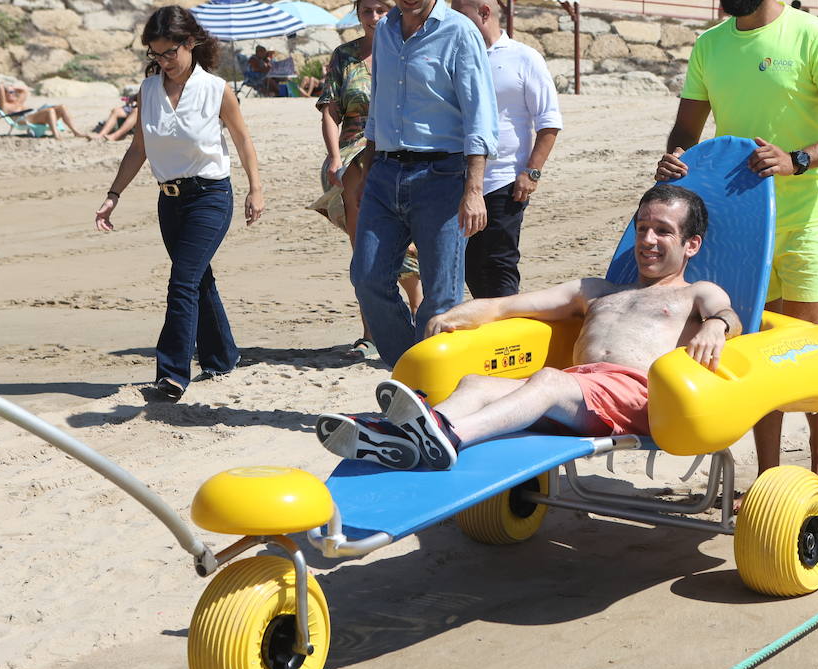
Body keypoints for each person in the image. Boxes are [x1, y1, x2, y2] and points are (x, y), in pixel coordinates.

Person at [653, 0, 818, 493]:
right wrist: (676, 158)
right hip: (741, 219)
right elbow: (686, 130)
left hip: (808, 216)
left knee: (800, 340)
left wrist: (798, 159)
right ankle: (770, 471)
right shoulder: (710, 45)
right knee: (749, 343)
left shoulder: (813, 34)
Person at [316, 185, 742, 469]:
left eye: (663, 232)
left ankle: (450, 437)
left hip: (635, 399)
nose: (648, 239)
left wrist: (716, 327)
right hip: (576, 392)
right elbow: (511, 306)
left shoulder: (695, 293)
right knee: (475, 384)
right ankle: (400, 438)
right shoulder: (596, 289)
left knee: (547, 381)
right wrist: (461, 313)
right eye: (642, 228)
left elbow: (730, 315)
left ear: (691, 244)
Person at [95, 6, 265, 401]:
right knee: (198, 279)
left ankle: (171, 373)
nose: (163, 62)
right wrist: (113, 194)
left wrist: (256, 190)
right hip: (169, 202)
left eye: (170, 52)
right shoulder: (149, 90)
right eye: (155, 54)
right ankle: (223, 357)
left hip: (210, 196)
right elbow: (138, 148)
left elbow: (242, 141)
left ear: (190, 43)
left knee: (182, 282)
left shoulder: (216, 89)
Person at [351, 0, 500, 367]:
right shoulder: (384, 32)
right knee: (368, 278)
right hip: (385, 172)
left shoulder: (460, 33)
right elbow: (378, 106)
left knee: (442, 295)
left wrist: (474, 190)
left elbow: (480, 117)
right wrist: (366, 171)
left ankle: (430, 386)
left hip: (442, 176)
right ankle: (408, 366)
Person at [309, 0, 423, 359]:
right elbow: (330, 110)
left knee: (409, 246)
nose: (373, 17)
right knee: (365, 251)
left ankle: (419, 318)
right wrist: (334, 157)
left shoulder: (408, 50)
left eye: (380, 10)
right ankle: (371, 332)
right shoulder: (345, 55)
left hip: (400, 154)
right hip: (354, 156)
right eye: (366, 11)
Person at [450, 0, 563, 299]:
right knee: (468, 265)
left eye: (460, 16)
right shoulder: (456, 58)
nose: (453, 24)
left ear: (484, 13)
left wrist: (532, 173)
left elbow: (549, 121)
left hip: (505, 180)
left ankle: (506, 333)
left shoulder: (524, 58)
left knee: (499, 262)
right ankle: (487, 327)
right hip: (458, 179)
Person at [0, 81, 88, 138]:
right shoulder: (5, 105)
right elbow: (0, 87)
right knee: (50, 111)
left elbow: (24, 90)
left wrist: (13, 88)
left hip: (35, 115)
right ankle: (56, 135)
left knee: (62, 107)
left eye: (14, 92)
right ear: (4, 94)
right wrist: (6, 88)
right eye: (10, 92)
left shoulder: (18, 102)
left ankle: (76, 132)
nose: (14, 93)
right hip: (25, 119)